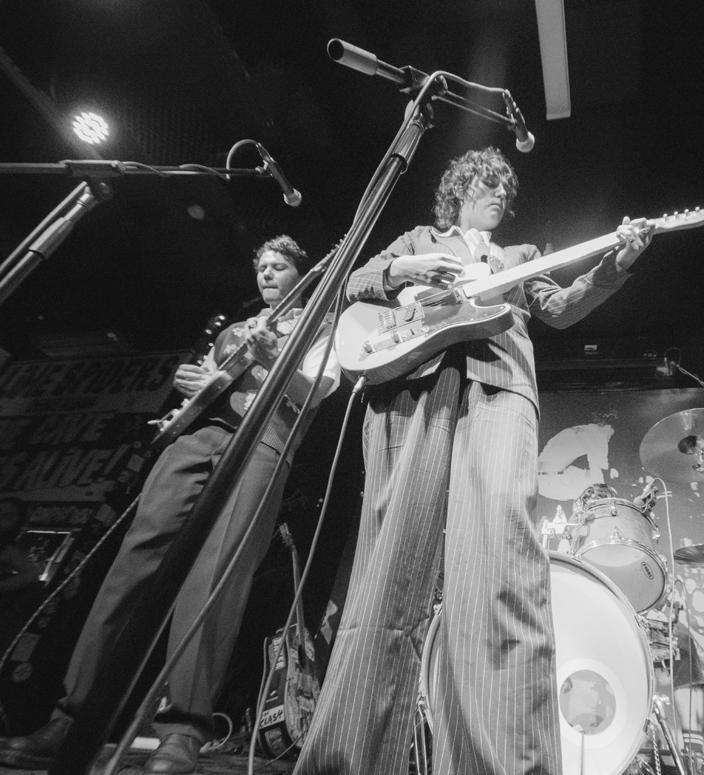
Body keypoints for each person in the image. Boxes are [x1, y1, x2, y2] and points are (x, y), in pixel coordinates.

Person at [293, 146, 651, 775]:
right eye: (487, 183)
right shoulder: (417, 239)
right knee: (388, 565)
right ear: (459, 190)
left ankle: (497, 763)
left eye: (505, 189)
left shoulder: (521, 256)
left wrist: (615, 264)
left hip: (500, 387)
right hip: (408, 383)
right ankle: (348, 761)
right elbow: (353, 284)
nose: (499, 194)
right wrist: (404, 269)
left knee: (500, 562)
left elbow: (561, 308)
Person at [0, 235, 340, 774]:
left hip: (263, 443)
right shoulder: (234, 331)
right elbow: (207, 391)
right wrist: (196, 383)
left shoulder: (322, 325)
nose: (267, 274)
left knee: (215, 577)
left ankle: (183, 729)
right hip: (196, 440)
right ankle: (75, 718)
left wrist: (274, 356)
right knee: (131, 570)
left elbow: (314, 392)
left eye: (279, 266)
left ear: (302, 272)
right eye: (262, 267)